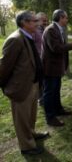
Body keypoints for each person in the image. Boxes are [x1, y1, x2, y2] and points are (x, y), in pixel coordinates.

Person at [0, 11, 49, 155]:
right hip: (21, 88)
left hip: (32, 84)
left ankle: (31, 134)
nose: (38, 23)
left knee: (30, 115)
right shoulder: (15, 39)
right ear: (24, 23)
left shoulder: (28, 36)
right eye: (34, 21)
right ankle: (27, 147)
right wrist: (7, 87)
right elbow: (4, 66)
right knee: (21, 119)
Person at [41, 9, 72, 127]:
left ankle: (58, 109)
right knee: (49, 92)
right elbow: (56, 48)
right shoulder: (51, 30)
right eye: (66, 18)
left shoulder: (57, 29)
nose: (67, 20)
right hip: (50, 68)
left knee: (56, 90)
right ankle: (50, 118)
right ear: (60, 18)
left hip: (56, 67)